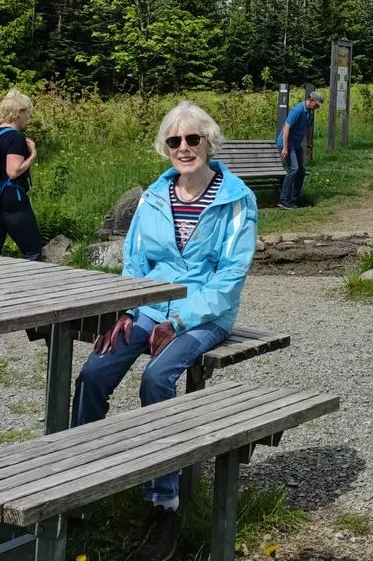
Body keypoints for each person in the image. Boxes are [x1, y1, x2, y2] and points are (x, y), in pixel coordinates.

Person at [72, 101, 256, 561]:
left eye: (193, 138)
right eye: (175, 141)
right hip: (148, 309)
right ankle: (79, 478)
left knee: (157, 378)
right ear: (165, 148)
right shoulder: (154, 197)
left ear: (209, 142)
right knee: (93, 374)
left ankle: (164, 500)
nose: (184, 148)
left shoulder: (236, 199)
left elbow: (230, 276)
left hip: (203, 316)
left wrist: (179, 321)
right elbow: (135, 262)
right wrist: (126, 311)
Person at [0, 88, 42, 260]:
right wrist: (33, 155)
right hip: (11, 203)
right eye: (28, 112)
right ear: (19, 113)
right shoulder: (15, 137)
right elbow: (13, 172)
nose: (29, 117)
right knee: (33, 252)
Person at [275, 90, 323, 209]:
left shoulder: (310, 112)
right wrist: (285, 148)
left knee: (301, 170)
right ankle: (283, 199)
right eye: (316, 104)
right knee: (294, 169)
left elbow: (309, 130)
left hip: (297, 145)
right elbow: (286, 129)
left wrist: (309, 146)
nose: (317, 107)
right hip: (287, 144)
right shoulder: (298, 110)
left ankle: (296, 198)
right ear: (311, 100)